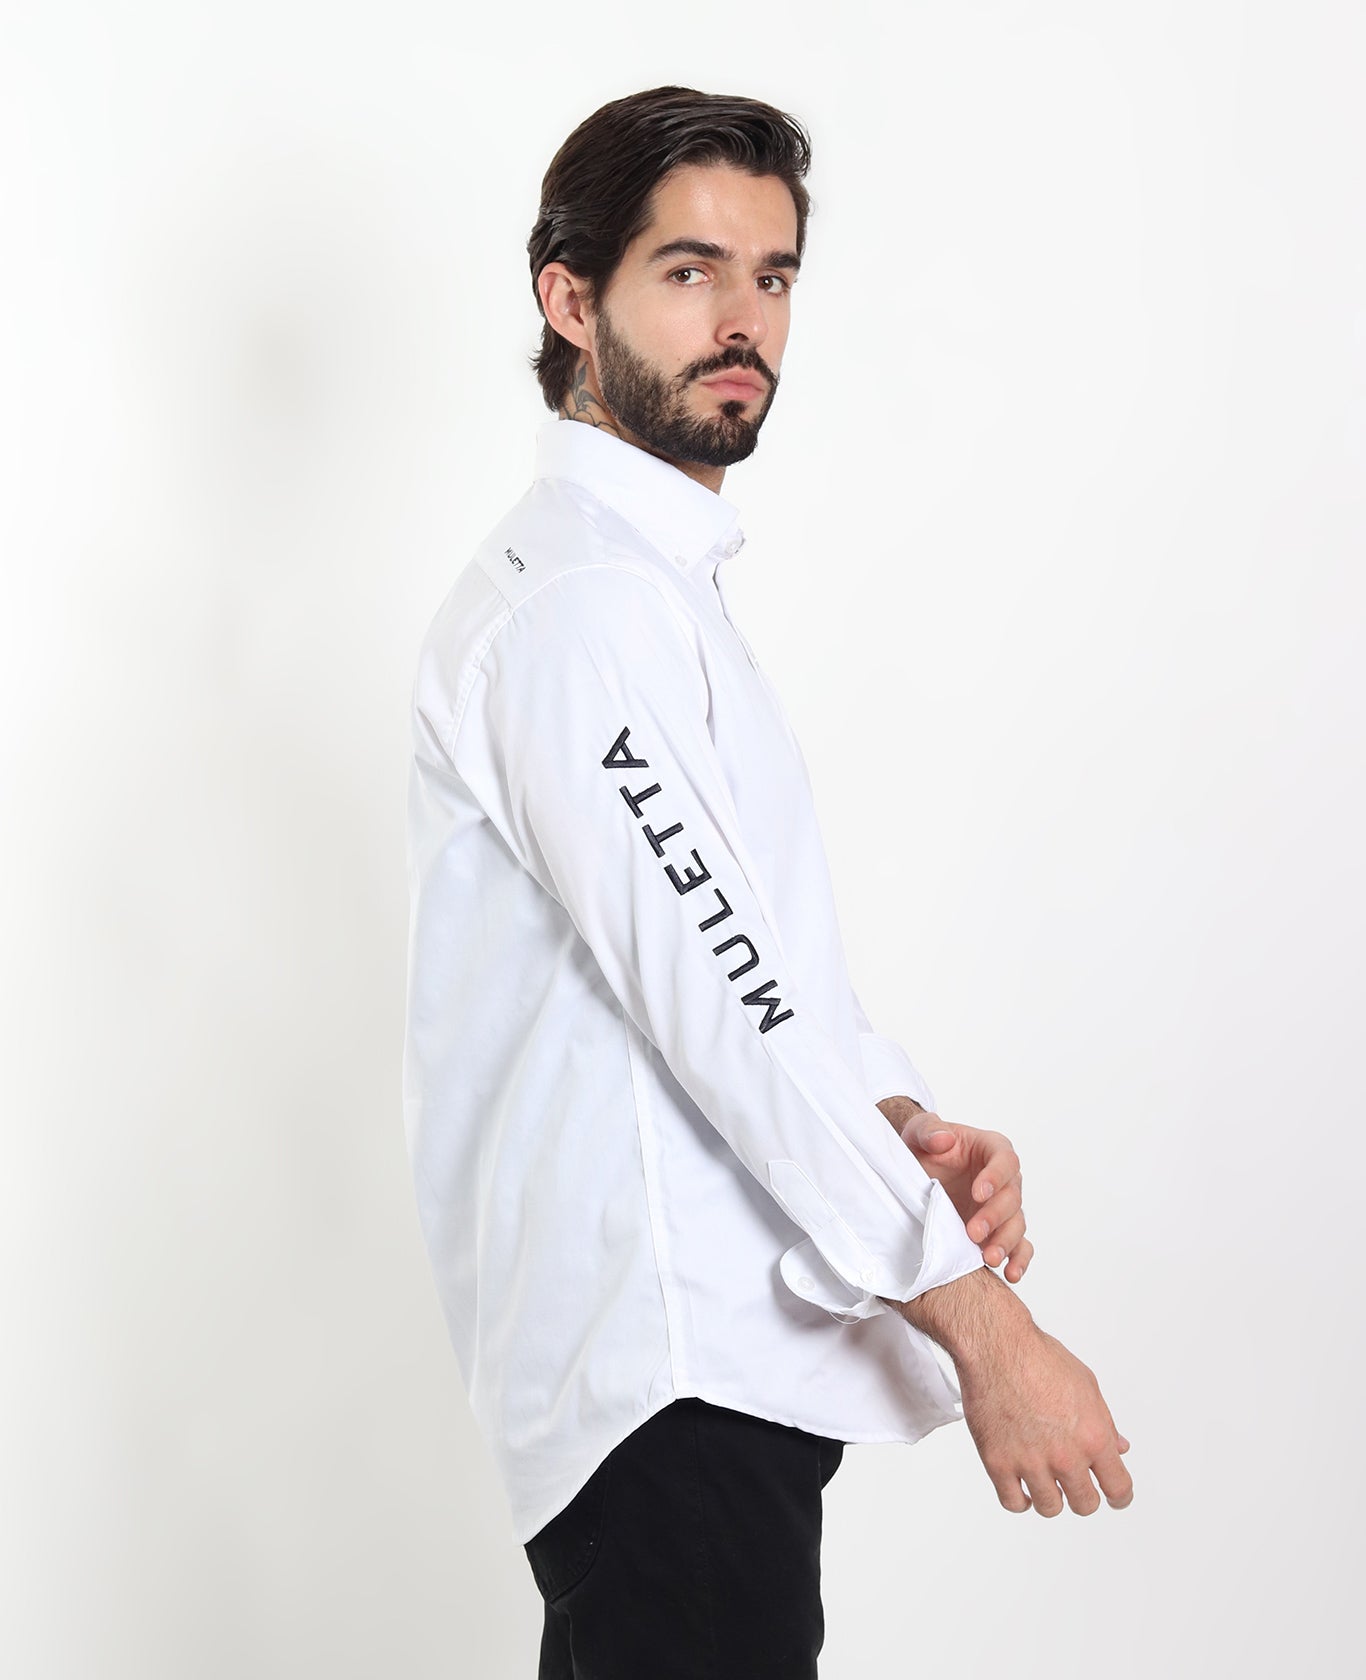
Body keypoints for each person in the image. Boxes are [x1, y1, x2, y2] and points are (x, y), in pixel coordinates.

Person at [402, 84, 1133, 1679]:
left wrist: (891, 1118)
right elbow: (726, 1003)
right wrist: (976, 1315)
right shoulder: (580, 612)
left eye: (773, 275)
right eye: (689, 271)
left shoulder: (640, 593)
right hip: (669, 1378)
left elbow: (727, 968)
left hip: (693, 1386)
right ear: (570, 300)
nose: (743, 321)